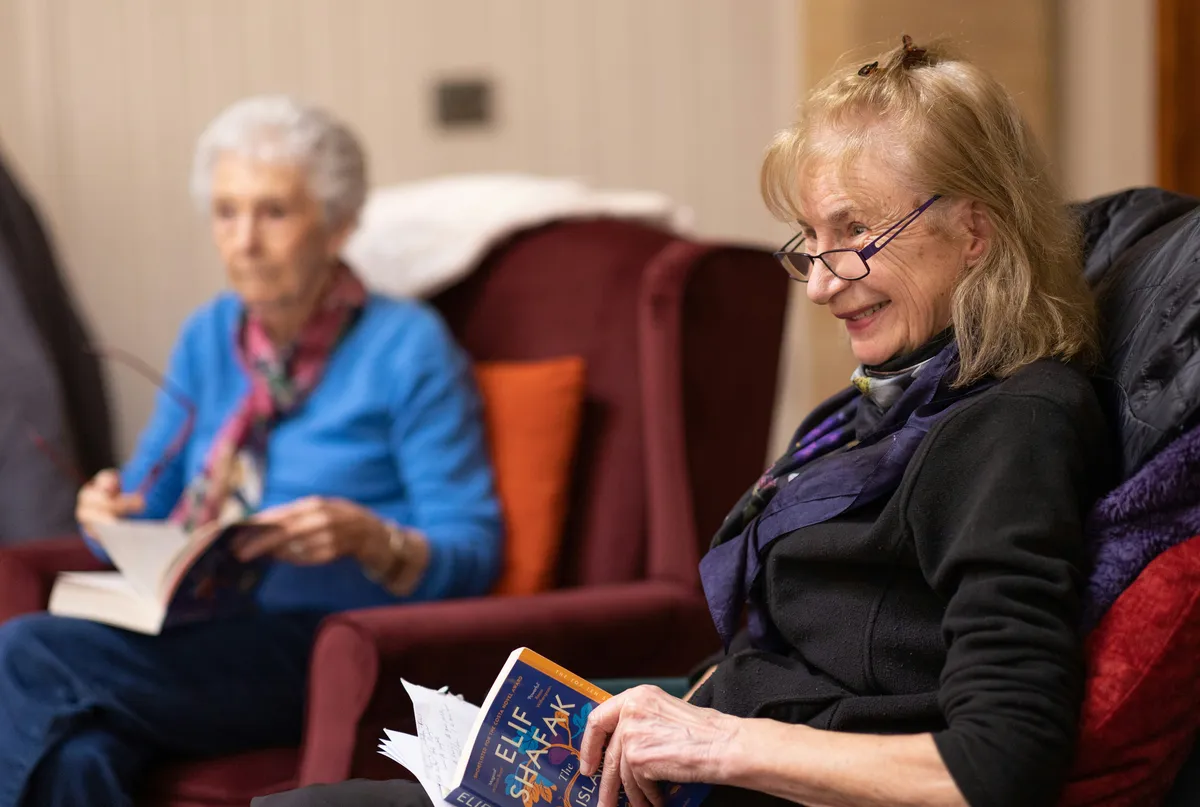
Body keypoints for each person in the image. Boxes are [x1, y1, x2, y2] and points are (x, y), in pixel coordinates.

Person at [257, 35, 1111, 807]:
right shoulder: (894, 395)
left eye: (855, 233)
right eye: (810, 241)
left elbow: (1001, 761)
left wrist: (720, 740)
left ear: (976, 232)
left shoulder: (1013, 426)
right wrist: (682, 711)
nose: (818, 283)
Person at [0, 95, 503, 807]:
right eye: (226, 212)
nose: (244, 240)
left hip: (328, 646)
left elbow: (475, 550)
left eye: (274, 212)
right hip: (201, 631)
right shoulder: (210, 336)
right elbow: (148, 495)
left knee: (26, 651)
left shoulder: (408, 347)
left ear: (339, 226)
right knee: (80, 757)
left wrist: (371, 538)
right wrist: (105, 509)